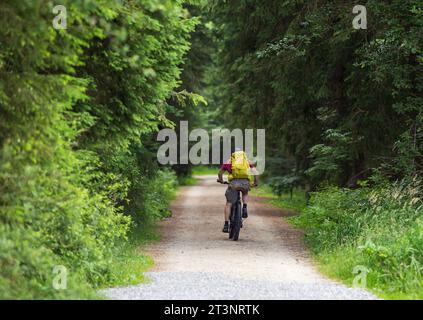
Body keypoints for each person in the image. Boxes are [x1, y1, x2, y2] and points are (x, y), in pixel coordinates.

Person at [217, 148, 258, 233]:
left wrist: (221, 180)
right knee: (245, 192)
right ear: (243, 154)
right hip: (245, 183)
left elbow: (220, 173)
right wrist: (255, 182)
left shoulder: (229, 161)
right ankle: (245, 207)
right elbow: (255, 172)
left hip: (233, 183)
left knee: (229, 203)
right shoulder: (247, 161)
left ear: (233, 154)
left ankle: (226, 225)